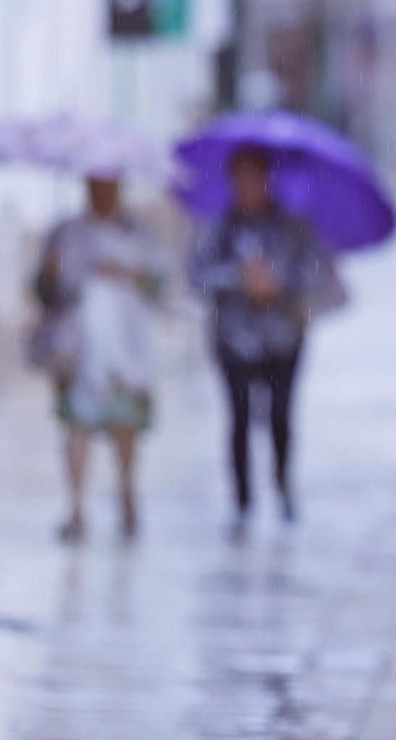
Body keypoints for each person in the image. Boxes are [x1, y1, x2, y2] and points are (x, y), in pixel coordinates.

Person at [189, 147, 327, 529]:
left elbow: (314, 271)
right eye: (241, 178)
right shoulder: (219, 228)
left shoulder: (291, 227)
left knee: (281, 414)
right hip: (233, 338)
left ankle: (283, 484)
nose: (248, 186)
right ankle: (242, 497)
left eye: (255, 177)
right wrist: (239, 278)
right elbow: (197, 275)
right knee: (239, 417)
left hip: (282, 336)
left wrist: (277, 283)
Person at [29, 175, 168, 542]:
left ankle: (126, 492)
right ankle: (75, 506)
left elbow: (160, 285)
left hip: (127, 347)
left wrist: (126, 273)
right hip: (79, 345)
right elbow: (43, 290)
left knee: (125, 427)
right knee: (77, 426)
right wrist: (51, 274)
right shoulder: (66, 232)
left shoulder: (138, 233)